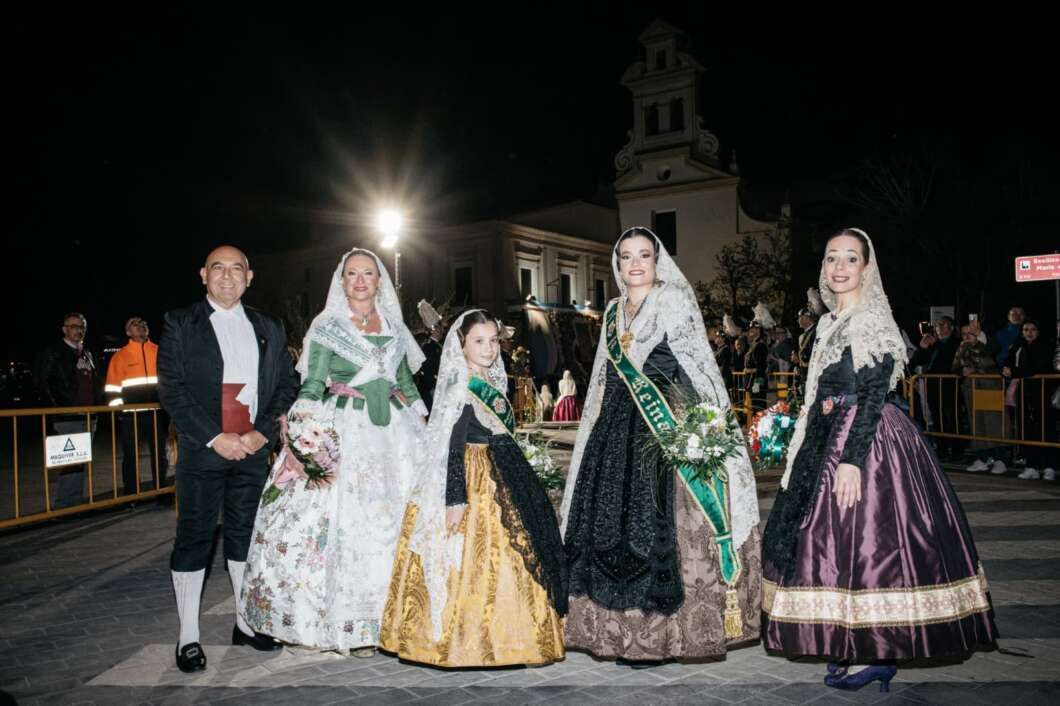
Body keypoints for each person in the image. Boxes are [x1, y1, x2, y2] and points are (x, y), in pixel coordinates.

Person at [761, 229, 997, 692]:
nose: (840, 267)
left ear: (867, 267)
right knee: (833, 547)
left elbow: (872, 394)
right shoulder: (831, 321)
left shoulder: (871, 319)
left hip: (865, 442)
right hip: (828, 437)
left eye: (851, 258)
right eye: (832, 258)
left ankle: (877, 648)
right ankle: (852, 641)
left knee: (870, 545)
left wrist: (852, 460)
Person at [560, 227, 761, 666]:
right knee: (607, 523)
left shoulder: (672, 299)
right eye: (627, 256)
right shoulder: (612, 311)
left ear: (657, 260)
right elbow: (603, 377)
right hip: (614, 429)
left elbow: (695, 365)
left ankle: (655, 637)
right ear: (618, 264)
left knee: (656, 524)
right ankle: (613, 635)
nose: (635, 263)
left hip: (662, 422)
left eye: (644, 255)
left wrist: (700, 423)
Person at [240, 248, 427, 656]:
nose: (360, 281)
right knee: (348, 522)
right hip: (347, 428)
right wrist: (302, 432)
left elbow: (406, 382)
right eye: (352, 274)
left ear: (381, 281)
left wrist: (424, 420)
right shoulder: (327, 325)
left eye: (368, 274)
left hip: (397, 435)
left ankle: (395, 618)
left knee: (397, 521)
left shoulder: (395, 326)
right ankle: (351, 620)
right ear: (341, 281)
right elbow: (312, 383)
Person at [380, 310, 566, 667]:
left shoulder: (491, 378)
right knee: (472, 558)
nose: (488, 348)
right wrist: (455, 498)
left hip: (499, 467)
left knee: (510, 555)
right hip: (472, 474)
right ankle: (466, 641)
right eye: (479, 341)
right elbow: (453, 442)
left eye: (493, 340)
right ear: (461, 345)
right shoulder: (461, 381)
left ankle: (508, 637)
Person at [159, 245, 299, 673]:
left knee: (244, 536)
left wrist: (261, 434)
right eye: (217, 268)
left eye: (235, 268)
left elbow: (287, 384)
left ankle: (246, 621)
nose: (226, 276)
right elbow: (172, 389)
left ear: (249, 277)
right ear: (203, 275)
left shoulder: (268, 327)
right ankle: (188, 637)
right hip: (205, 452)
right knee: (194, 537)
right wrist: (214, 437)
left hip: (252, 452)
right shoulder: (180, 323)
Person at [36, 312, 99, 508]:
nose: (78, 330)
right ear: (64, 329)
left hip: (89, 414)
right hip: (68, 416)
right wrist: (58, 408)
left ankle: (75, 503)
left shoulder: (86, 353)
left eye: (82, 327)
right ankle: (64, 505)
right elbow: (42, 382)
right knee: (70, 460)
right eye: (73, 326)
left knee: (81, 460)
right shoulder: (55, 351)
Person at [105, 316, 168, 494]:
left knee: (159, 455)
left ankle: (161, 492)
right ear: (127, 332)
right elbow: (112, 388)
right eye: (134, 324)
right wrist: (120, 412)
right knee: (131, 456)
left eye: (143, 323)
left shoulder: (160, 352)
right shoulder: (120, 356)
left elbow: (170, 382)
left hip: (158, 413)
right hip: (131, 416)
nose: (141, 326)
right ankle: (131, 495)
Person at [1004, 320, 1057, 480]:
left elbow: (1036, 368)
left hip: (1042, 392)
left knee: (1045, 428)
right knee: (1026, 428)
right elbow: (1007, 363)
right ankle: (1031, 465)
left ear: (1039, 331)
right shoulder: (1018, 345)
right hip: (1023, 392)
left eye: (1033, 329)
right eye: (1026, 329)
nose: (1029, 332)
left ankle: (1049, 466)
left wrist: (1013, 371)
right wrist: (1006, 370)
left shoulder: (1044, 346)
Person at [910, 316, 964, 461]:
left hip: (950, 387)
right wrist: (922, 348)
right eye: (937, 325)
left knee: (952, 418)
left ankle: (957, 450)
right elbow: (915, 362)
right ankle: (942, 449)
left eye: (942, 325)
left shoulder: (957, 343)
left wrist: (935, 346)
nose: (939, 328)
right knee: (937, 418)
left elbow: (949, 361)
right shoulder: (932, 344)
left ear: (951, 328)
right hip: (933, 386)